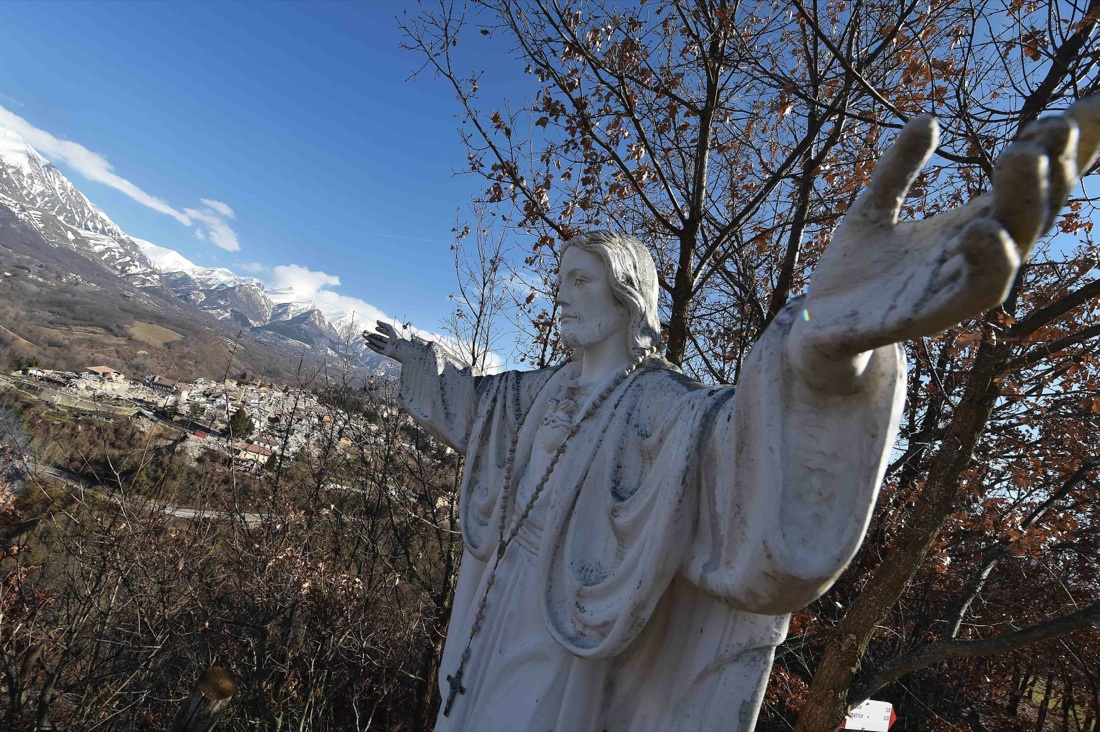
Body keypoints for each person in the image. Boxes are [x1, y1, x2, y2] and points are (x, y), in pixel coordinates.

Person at [365, 106, 1099, 731]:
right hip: (493, 607)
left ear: (627, 297)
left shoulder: (660, 406)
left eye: (579, 281)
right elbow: (478, 408)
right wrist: (422, 364)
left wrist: (816, 344)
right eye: (560, 281)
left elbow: (744, 447)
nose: (560, 296)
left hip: (568, 634)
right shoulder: (537, 391)